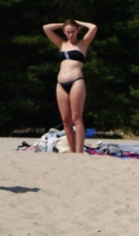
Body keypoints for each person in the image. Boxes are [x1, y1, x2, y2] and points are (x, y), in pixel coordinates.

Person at [43, 19, 97, 154]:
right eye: (68, 32)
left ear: (78, 30)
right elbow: (46, 28)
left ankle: (79, 152)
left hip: (76, 81)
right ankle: (72, 151)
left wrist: (77, 22)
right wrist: (64, 24)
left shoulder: (83, 44)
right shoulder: (61, 44)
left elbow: (93, 27)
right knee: (66, 121)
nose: (70, 34)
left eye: (73, 31)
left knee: (76, 119)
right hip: (61, 84)